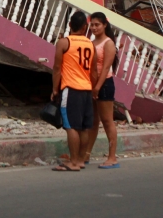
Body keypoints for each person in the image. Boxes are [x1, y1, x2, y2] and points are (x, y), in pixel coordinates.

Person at [51, 11, 95, 172]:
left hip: (71, 89)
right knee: (84, 127)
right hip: (87, 89)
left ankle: (73, 162)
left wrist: (55, 89)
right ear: (85, 27)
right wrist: (94, 89)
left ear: (70, 25)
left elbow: (57, 68)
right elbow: (94, 72)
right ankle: (81, 160)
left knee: (71, 127)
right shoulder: (90, 44)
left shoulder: (64, 43)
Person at [83, 12, 119, 169]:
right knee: (93, 121)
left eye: (97, 24)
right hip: (91, 85)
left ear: (105, 25)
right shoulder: (92, 41)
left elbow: (105, 68)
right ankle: (86, 154)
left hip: (104, 85)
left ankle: (112, 157)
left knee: (107, 121)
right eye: (92, 25)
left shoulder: (108, 43)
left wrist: (97, 87)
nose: (94, 27)